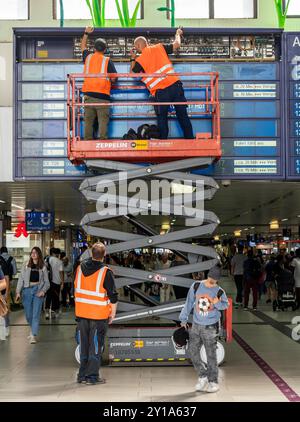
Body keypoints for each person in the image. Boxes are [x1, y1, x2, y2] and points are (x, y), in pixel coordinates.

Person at [130, 28, 194, 140]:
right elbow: (177, 44)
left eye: (136, 48)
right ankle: (190, 140)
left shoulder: (141, 59)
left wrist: (133, 58)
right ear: (147, 43)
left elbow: (132, 74)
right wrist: (177, 33)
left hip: (161, 92)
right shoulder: (159, 47)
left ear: (139, 47)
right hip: (175, 86)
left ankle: (163, 143)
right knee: (183, 116)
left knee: (162, 118)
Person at [179, 266, 229, 393]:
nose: (213, 282)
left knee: (211, 355)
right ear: (208, 276)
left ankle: (213, 381)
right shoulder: (196, 286)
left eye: (216, 280)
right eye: (212, 279)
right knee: (192, 351)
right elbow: (189, 303)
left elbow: (225, 305)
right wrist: (183, 319)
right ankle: (203, 376)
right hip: (196, 325)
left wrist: (217, 303)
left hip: (210, 326)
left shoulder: (219, 291)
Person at [74, 242, 118, 385]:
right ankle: (92, 377)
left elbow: (74, 290)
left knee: (84, 346)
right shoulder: (106, 272)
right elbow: (113, 296)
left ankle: (82, 376)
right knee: (96, 347)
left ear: (91, 253)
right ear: (104, 255)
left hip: (81, 315)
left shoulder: (79, 268)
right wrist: (112, 314)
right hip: (98, 317)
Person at [81, 26, 118, 140]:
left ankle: (87, 141)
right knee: (103, 122)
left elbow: (82, 46)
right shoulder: (107, 61)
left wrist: (86, 33)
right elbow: (114, 79)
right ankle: (102, 141)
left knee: (88, 121)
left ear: (94, 48)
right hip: (102, 96)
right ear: (105, 49)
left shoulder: (88, 57)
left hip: (88, 96)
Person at [15, 247, 49, 344]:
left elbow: (47, 282)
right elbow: (21, 279)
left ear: (39, 254)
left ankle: (33, 335)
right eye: (32, 252)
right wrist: (18, 292)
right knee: (28, 314)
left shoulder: (43, 266)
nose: (33, 254)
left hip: (38, 290)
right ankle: (32, 328)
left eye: (35, 252)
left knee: (35, 314)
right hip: (27, 291)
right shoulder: (26, 264)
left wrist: (43, 291)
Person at [45, 248, 64, 319]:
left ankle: (47, 313)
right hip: (56, 282)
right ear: (56, 254)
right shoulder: (59, 261)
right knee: (55, 297)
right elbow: (61, 272)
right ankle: (53, 313)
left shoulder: (46, 259)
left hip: (47, 282)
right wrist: (62, 282)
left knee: (48, 297)